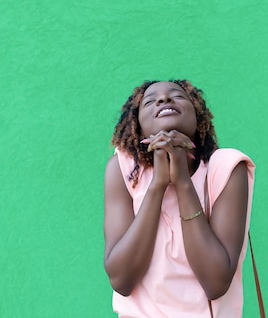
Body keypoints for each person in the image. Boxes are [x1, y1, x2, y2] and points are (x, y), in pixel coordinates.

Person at [104, 80, 256, 318]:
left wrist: (183, 182)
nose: (164, 100)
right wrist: (157, 185)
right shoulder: (123, 169)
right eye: (150, 101)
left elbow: (215, 284)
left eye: (177, 96)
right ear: (138, 126)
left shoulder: (226, 167)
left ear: (198, 117)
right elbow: (121, 280)